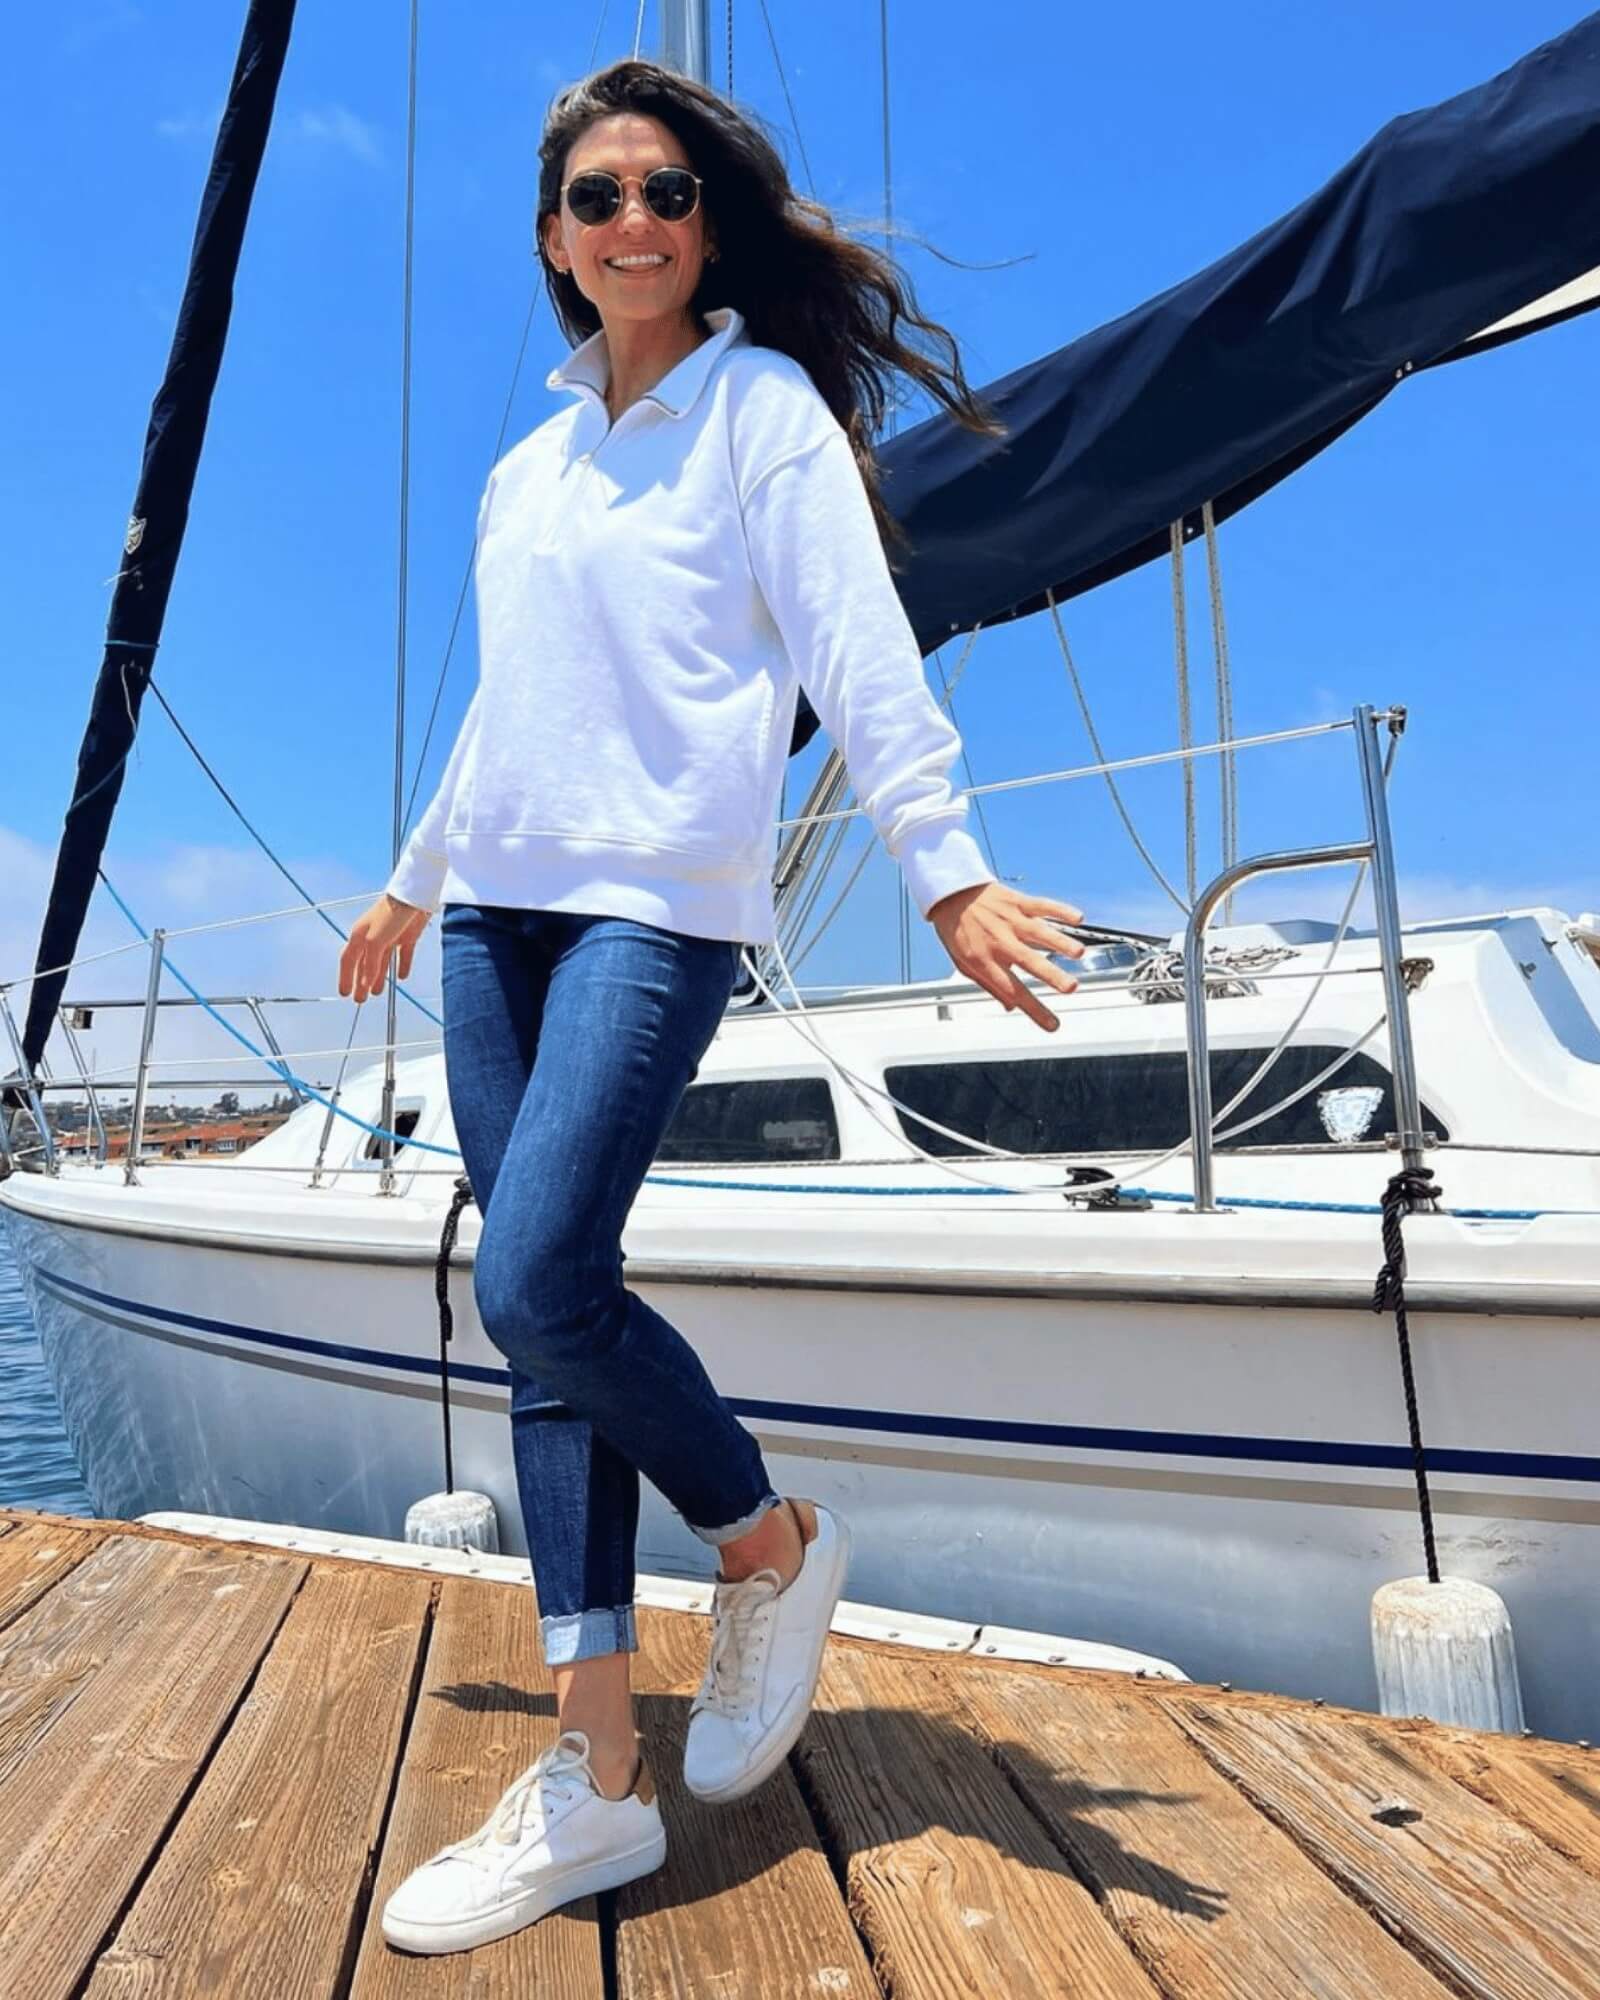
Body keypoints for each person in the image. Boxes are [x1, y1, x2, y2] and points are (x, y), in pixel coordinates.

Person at [337, 57, 1083, 1958]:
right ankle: (596, 1783)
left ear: (706, 222)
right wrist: (417, 878)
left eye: (667, 191)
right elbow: (513, 709)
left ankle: (767, 1544)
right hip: (494, 917)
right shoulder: (529, 468)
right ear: (555, 244)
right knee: (545, 1338)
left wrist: (946, 862)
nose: (636, 222)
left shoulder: (758, 413)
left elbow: (857, 644)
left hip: (650, 915)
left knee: (536, 1284)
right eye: (599, 199)